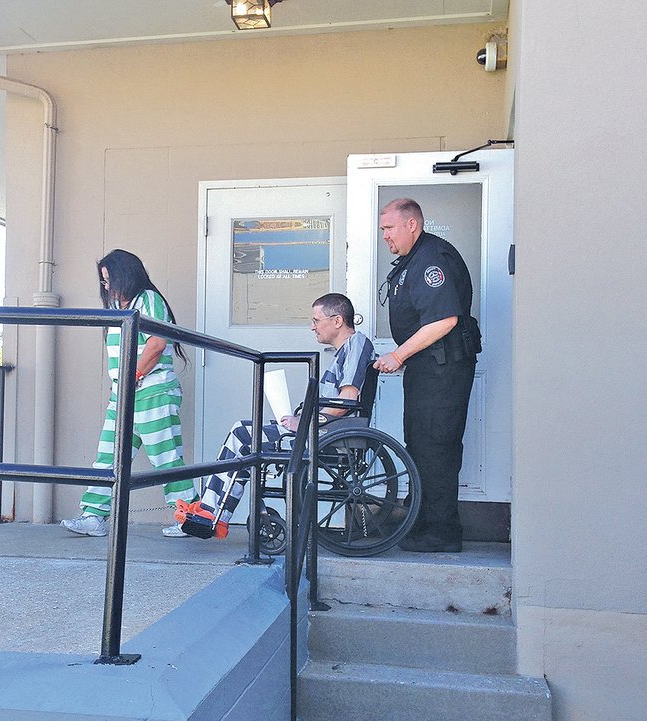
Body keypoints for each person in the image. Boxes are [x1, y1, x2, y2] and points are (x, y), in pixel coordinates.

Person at [174, 293, 375, 540]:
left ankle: (212, 513)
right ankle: (213, 512)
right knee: (244, 434)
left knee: (242, 434)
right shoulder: (344, 351)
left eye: (316, 320)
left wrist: (303, 422)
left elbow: (347, 401)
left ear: (337, 320)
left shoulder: (356, 344)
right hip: (319, 429)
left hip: (327, 434)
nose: (312, 327)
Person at [60, 249, 198, 538]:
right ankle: (94, 516)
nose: (106, 286)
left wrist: (131, 377)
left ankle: (190, 518)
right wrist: (122, 385)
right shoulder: (119, 309)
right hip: (125, 394)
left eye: (110, 279)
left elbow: (157, 344)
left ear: (126, 275)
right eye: (103, 281)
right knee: (108, 456)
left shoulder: (148, 299)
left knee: (166, 457)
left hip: (152, 391)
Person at [374, 198, 481, 553]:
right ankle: (422, 520)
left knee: (437, 445)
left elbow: (444, 319)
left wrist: (398, 354)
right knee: (421, 444)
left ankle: (442, 531)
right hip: (428, 368)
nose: (384, 235)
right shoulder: (414, 258)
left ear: (411, 225)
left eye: (389, 228)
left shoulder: (432, 258)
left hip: (442, 368)